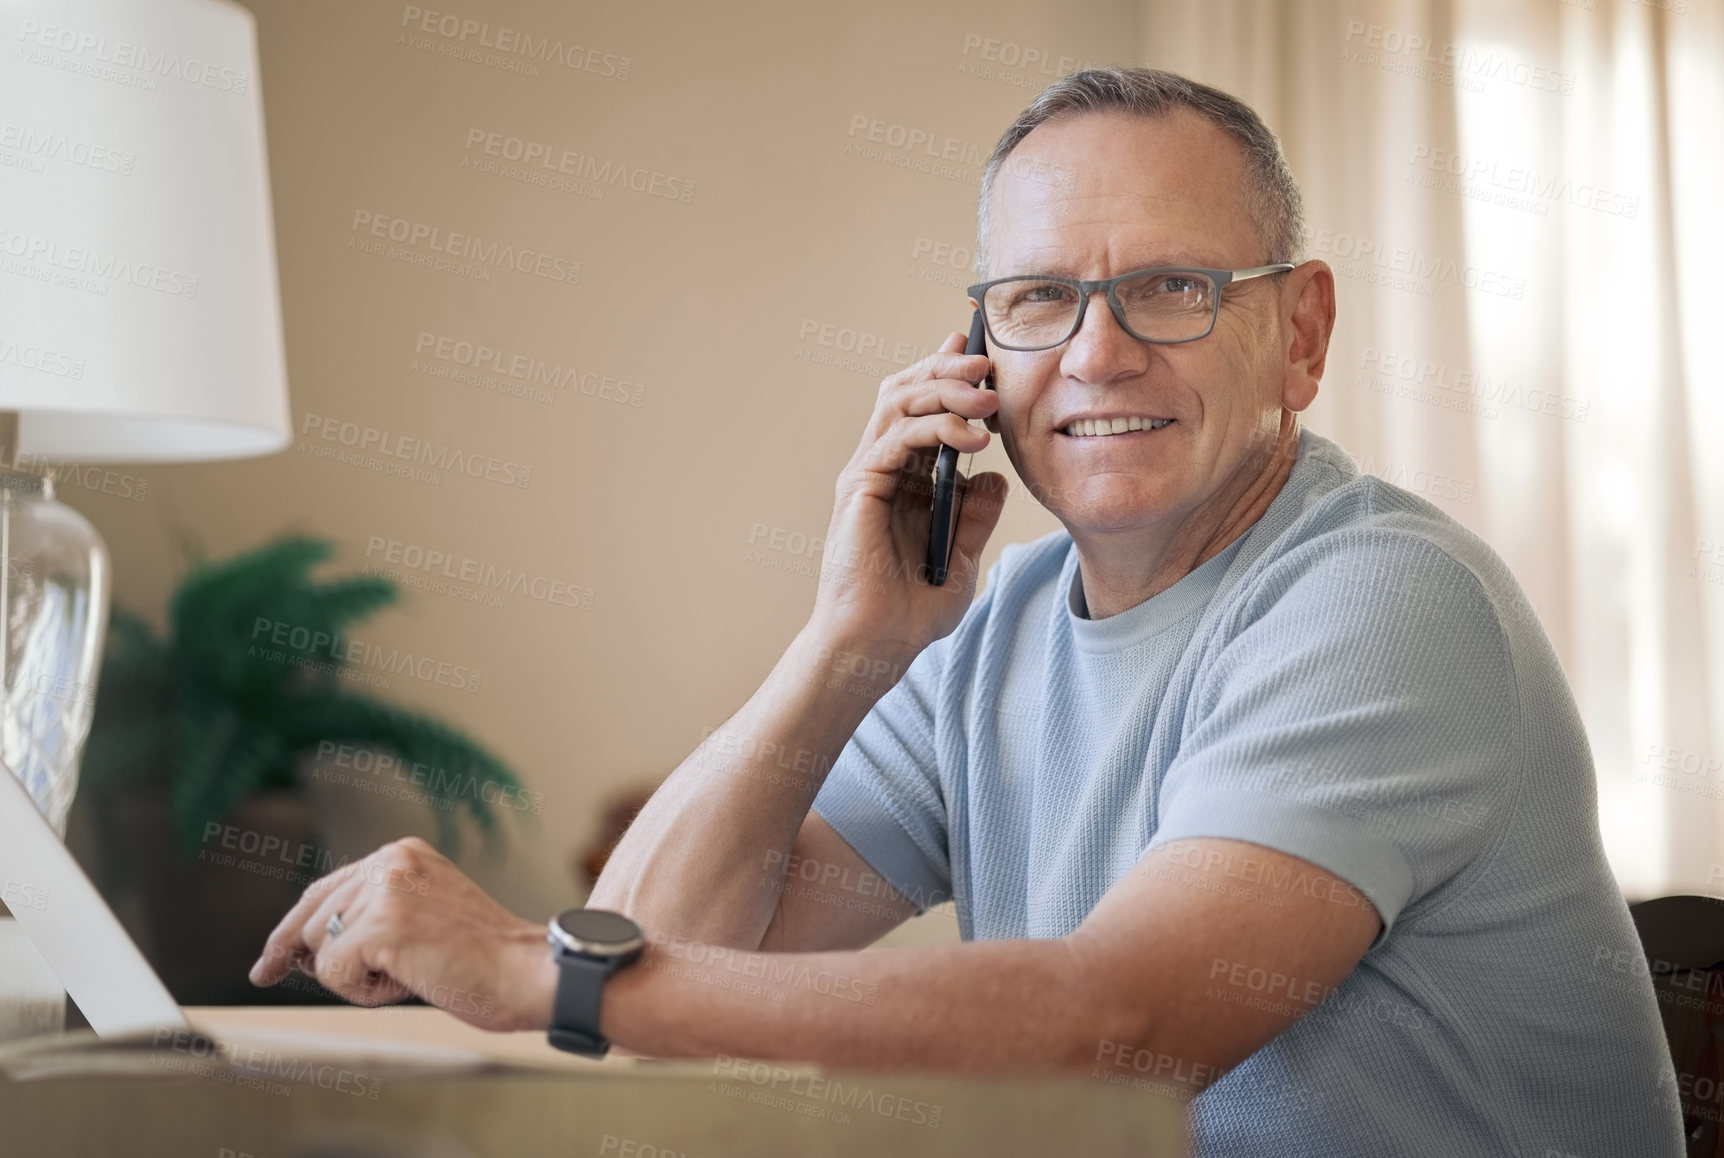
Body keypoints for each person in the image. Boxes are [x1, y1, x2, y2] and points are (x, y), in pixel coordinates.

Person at [253, 67, 1682, 1155]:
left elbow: (1116, 1027)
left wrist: (527, 966)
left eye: (1172, 288)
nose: (1098, 353)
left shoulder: (1383, 602)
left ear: (1298, 334)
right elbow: (668, 946)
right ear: (975, 356)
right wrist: (846, 646)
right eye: (1040, 299)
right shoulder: (994, 630)